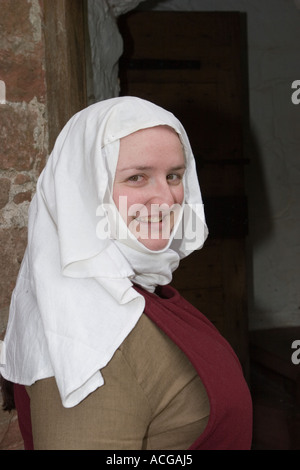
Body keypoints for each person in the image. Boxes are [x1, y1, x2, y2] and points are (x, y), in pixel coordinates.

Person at [0, 96, 252, 450]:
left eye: (174, 176)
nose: (167, 199)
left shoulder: (139, 289)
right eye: (137, 177)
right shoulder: (88, 334)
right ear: (85, 190)